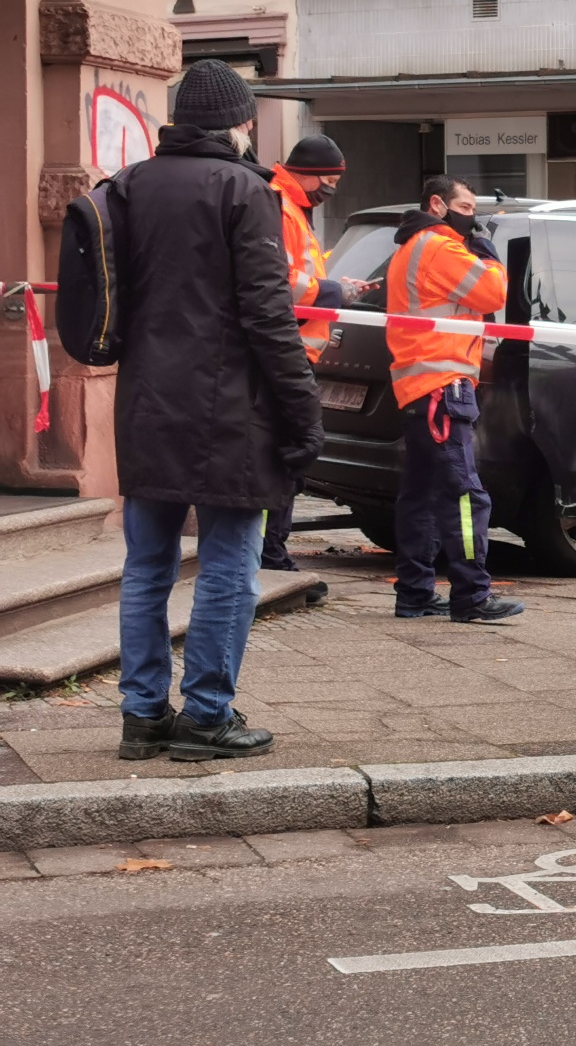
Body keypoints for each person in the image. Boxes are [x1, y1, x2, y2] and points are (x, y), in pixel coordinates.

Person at [113, 60, 324, 763]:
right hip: (230, 411)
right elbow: (268, 316)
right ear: (237, 124)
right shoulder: (243, 189)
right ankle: (207, 714)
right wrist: (302, 411)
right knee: (230, 562)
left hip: (145, 405)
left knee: (148, 565)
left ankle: (142, 717)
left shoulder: (129, 186)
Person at [386, 176, 522, 623]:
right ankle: (472, 595)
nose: (473, 215)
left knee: (421, 496)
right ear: (438, 205)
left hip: (420, 387)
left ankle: (415, 593)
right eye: (466, 206)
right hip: (443, 385)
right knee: (465, 494)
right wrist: (490, 255)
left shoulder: (412, 246)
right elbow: (492, 293)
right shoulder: (441, 248)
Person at [261, 132, 371, 582]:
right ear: (306, 174)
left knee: (291, 450)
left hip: (296, 347)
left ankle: (272, 549)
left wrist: (333, 286)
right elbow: (281, 281)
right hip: (287, 350)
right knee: (290, 451)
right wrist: (332, 291)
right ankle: (270, 552)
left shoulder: (291, 207)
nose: (331, 190)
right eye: (329, 180)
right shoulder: (279, 206)